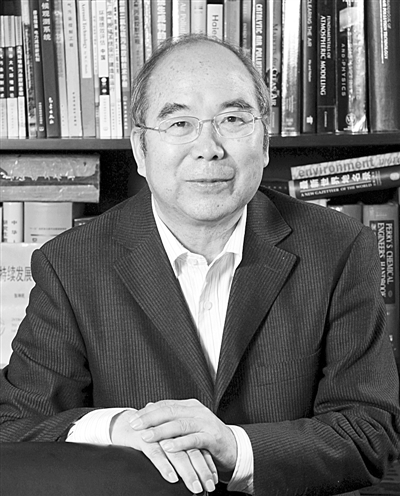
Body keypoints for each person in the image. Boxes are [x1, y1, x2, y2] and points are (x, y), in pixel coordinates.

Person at [0, 34, 399, 496]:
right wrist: (116, 428)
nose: (208, 148)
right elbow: (15, 427)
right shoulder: (70, 264)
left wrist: (236, 448)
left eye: (233, 119)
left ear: (264, 143)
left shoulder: (339, 246)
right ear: (140, 149)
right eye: (179, 123)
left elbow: (370, 432)